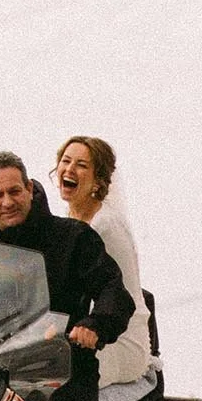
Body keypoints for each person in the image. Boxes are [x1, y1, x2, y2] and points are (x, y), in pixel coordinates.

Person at [0, 151, 133, 401]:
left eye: (15, 191)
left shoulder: (72, 237)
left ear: (30, 189)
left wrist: (95, 324)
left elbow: (112, 289)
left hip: (60, 374)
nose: (8, 202)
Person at [52, 136, 153, 387]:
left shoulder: (104, 226)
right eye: (65, 161)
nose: (70, 169)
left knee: (59, 382)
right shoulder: (71, 219)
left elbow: (115, 297)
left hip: (119, 339)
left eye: (81, 165)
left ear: (98, 180)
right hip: (86, 333)